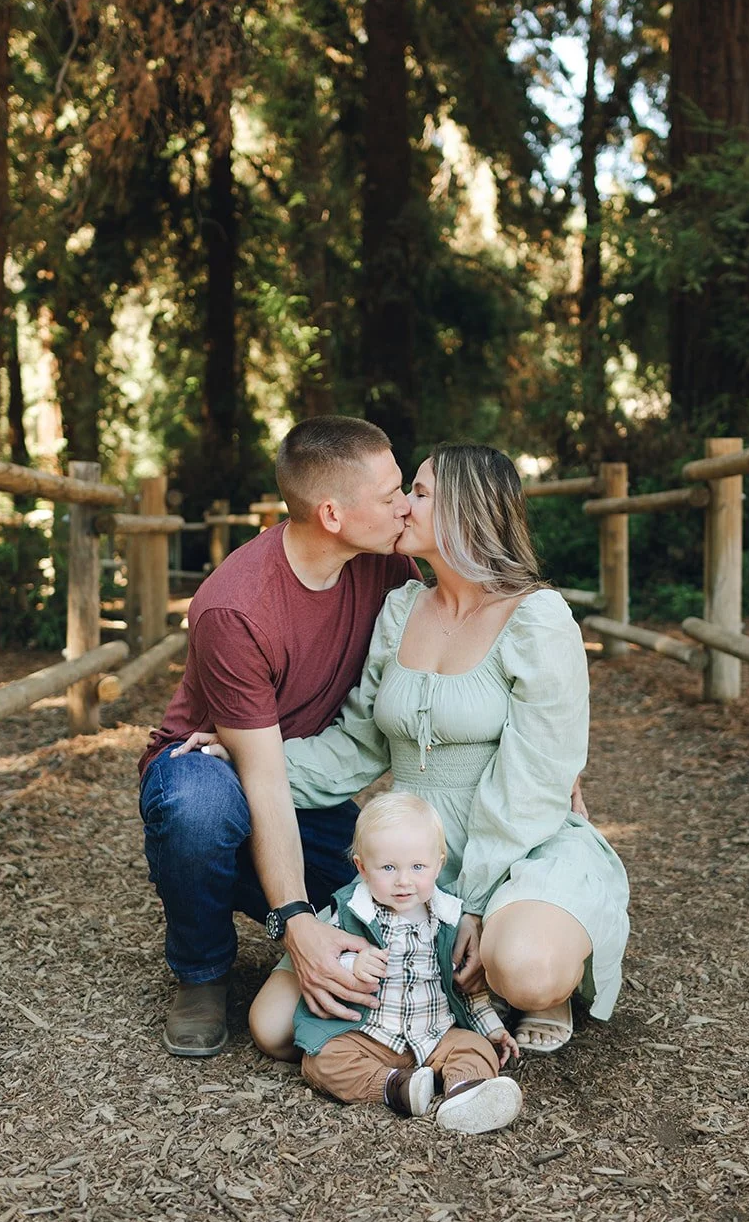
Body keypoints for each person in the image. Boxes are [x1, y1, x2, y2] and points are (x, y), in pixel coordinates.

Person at [244, 442, 630, 1062]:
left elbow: (537, 780)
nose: (401, 505)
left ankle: (531, 981)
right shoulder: (400, 610)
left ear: (465, 511)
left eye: (418, 493)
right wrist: (249, 755)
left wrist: (472, 903)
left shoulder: (538, 618)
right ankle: (453, 999)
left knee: (526, 969)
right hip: (412, 855)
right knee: (275, 1026)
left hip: (517, 845)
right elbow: (359, 744)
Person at [137, 415, 422, 1058]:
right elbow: (261, 776)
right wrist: (294, 920)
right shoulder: (235, 606)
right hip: (211, 764)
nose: (404, 507)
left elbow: (475, 621)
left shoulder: (389, 565)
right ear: (332, 514)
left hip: (307, 777)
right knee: (202, 810)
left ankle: (252, 893)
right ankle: (201, 971)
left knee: (388, 898)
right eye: (389, 495)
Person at [295, 792, 523, 1135]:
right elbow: (325, 958)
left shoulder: (447, 919)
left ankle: (464, 1092)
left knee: (475, 1047)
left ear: (439, 864)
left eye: (418, 867)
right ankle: (394, 1087)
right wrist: (351, 963)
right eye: (388, 868)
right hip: (371, 1034)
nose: (404, 880)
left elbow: (467, 988)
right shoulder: (350, 912)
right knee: (320, 1059)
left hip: (436, 1034)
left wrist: (491, 1027)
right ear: (361, 867)